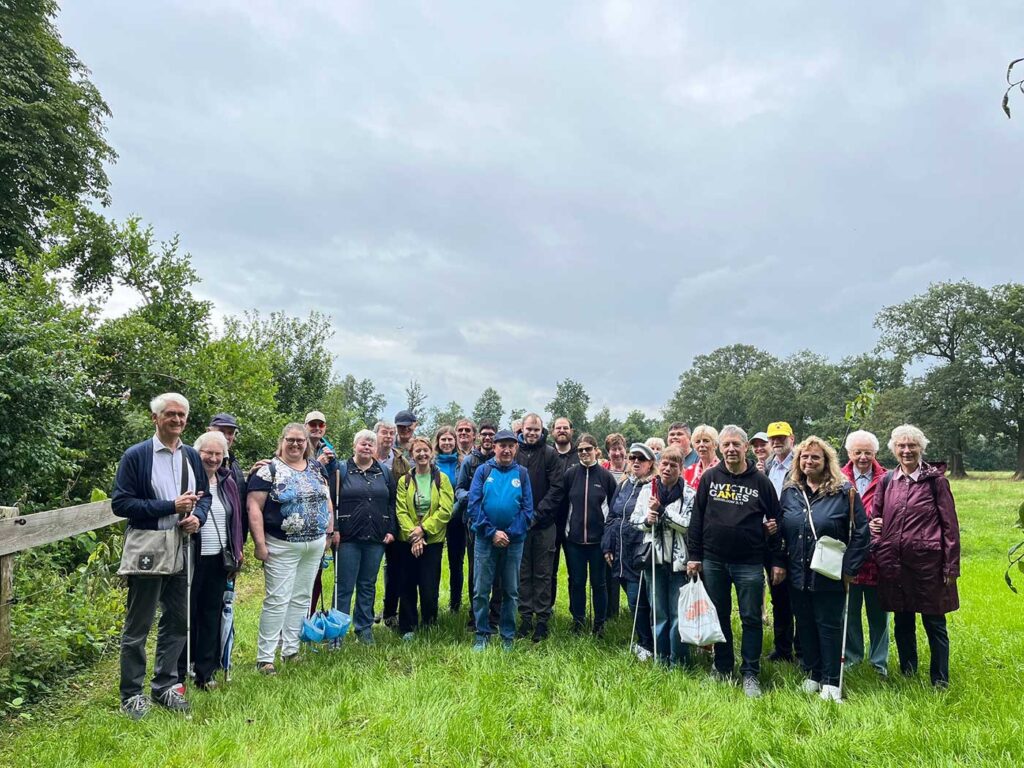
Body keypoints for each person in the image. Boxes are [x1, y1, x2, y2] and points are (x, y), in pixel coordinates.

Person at [113, 393, 209, 719]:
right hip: (148, 547)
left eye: (182, 415)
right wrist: (170, 506)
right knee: (139, 623)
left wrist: (198, 517)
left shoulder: (192, 456)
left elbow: (203, 497)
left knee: (179, 620)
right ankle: (132, 694)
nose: (178, 420)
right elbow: (121, 504)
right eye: (171, 414)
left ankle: (165, 686)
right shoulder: (137, 456)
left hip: (182, 546)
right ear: (155, 418)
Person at [687, 425, 785, 698]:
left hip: (750, 562)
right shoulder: (709, 478)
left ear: (745, 448)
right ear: (720, 448)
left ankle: (750, 673)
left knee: (751, 618)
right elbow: (697, 519)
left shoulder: (761, 482)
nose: (731, 449)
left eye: (736, 444)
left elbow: (778, 520)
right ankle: (722, 666)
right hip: (714, 560)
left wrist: (777, 559)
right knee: (719, 616)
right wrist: (694, 556)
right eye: (726, 444)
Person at [779, 436, 870, 702]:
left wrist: (850, 568)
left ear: (826, 461)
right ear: (798, 461)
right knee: (805, 625)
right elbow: (783, 526)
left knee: (829, 626)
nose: (809, 461)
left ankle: (832, 680)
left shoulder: (845, 492)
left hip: (830, 573)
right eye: (805, 457)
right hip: (797, 571)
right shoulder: (790, 491)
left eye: (815, 457)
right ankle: (813, 674)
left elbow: (861, 533)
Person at [872, 425, 960, 688]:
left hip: (929, 566)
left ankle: (940, 679)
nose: (907, 450)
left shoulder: (936, 481)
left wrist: (950, 567)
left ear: (921, 448)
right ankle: (908, 672)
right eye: (901, 446)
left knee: (935, 622)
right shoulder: (887, 481)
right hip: (895, 565)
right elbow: (875, 519)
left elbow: (950, 527)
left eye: (912, 446)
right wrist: (879, 544)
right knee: (902, 620)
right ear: (894, 449)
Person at [247, 424, 333, 675]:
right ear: (281, 441)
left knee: (302, 598)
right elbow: (254, 508)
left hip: (314, 543)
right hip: (281, 544)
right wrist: (260, 544)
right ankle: (265, 658)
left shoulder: (317, 468)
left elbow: (326, 500)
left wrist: (329, 531)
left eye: (300, 441)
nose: (295, 445)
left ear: (307, 443)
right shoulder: (267, 471)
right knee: (277, 599)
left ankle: (290, 650)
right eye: (290, 440)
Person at [179, 430, 244, 691]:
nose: (213, 458)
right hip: (191, 559)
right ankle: (179, 669)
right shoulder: (186, 480)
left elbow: (235, 518)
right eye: (208, 453)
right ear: (197, 453)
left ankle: (206, 672)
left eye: (218, 454)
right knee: (185, 616)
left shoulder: (227, 481)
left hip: (220, 558)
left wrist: (237, 551)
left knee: (211, 614)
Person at [468, 430, 534, 650]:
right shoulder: (483, 471)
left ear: (516, 448)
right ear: (494, 446)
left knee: (511, 590)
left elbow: (527, 510)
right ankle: (482, 633)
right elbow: (474, 505)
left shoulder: (522, 474)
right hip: (485, 540)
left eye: (511, 446)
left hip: (514, 542)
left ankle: (507, 634)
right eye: (502, 445)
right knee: (481, 589)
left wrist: (510, 533)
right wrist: (492, 532)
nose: (506, 450)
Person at [631, 446, 695, 667]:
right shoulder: (648, 489)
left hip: (679, 562)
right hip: (654, 559)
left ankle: (679, 661)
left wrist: (663, 512)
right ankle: (661, 658)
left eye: (673, 465)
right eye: (665, 464)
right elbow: (635, 521)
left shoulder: (689, 494)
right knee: (659, 613)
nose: (668, 468)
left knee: (678, 615)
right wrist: (648, 520)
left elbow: (687, 525)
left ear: (681, 468)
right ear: (659, 465)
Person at [335, 429, 397, 644]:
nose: (367, 447)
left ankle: (364, 628)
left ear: (376, 448)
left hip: (376, 538)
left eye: (371, 444)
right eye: (363, 443)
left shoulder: (384, 473)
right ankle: (338, 631)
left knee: (368, 584)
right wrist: (334, 530)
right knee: (344, 586)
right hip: (348, 538)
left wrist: (391, 529)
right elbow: (332, 503)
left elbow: (392, 503)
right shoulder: (341, 470)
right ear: (354, 446)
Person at [840, 430, 891, 677]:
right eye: (857, 452)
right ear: (849, 453)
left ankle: (879, 663)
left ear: (875, 454)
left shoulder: (888, 478)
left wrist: (882, 524)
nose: (862, 457)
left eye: (867, 452)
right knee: (849, 613)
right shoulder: (838, 477)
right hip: (848, 557)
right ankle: (852, 658)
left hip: (878, 558)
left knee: (879, 613)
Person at [396, 437, 454, 639]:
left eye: (425, 450)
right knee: (408, 584)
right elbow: (401, 511)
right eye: (417, 451)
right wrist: (414, 535)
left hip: (433, 540)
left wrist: (423, 531)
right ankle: (408, 627)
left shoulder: (442, 479)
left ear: (432, 453)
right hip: (407, 540)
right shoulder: (405, 481)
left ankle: (429, 622)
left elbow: (445, 510)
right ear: (412, 455)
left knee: (429, 586)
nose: (422, 454)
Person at [603, 443, 657, 660]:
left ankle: (648, 643)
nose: (636, 462)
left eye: (641, 459)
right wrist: (608, 545)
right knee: (633, 598)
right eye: (633, 457)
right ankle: (645, 640)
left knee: (638, 600)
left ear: (650, 463)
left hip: (639, 551)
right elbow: (613, 516)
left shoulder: (652, 486)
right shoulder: (624, 484)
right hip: (620, 551)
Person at [560, 434, 618, 636]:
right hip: (574, 540)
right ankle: (578, 622)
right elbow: (563, 505)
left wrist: (608, 538)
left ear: (596, 450)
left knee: (599, 583)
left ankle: (599, 624)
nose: (584, 453)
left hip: (598, 541)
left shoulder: (606, 477)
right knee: (576, 582)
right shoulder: (570, 475)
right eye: (580, 450)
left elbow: (613, 510)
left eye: (588, 449)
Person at [515, 413, 565, 641]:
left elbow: (557, 489)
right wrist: (521, 517)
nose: (532, 433)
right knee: (523, 573)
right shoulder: (514, 452)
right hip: (519, 525)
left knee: (544, 573)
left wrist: (536, 515)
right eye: (529, 429)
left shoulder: (550, 454)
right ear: (521, 430)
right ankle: (525, 617)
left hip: (544, 525)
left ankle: (542, 619)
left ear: (542, 430)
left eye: (536, 429)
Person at [764, 420, 799, 663]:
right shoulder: (767, 466)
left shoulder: (800, 464)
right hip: (771, 537)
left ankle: (804, 649)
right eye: (773, 439)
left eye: (781, 438)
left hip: (795, 537)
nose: (777, 442)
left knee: (798, 596)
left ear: (791, 438)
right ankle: (783, 648)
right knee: (778, 597)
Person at [377, 416, 411, 627]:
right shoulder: (364, 455)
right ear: (376, 435)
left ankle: (390, 612)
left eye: (391, 433)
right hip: (368, 520)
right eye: (385, 432)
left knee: (394, 568)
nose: (389, 436)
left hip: (394, 521)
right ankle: (365, 612)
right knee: (368, 570)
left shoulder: (401, 461)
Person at [550, 416, 579, 609]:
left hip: (574, 521)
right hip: (550, 521)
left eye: (565, 427)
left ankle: (576, 613)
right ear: (552, 431)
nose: (562, 430)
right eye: (558, 428)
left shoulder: (580, 455)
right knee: (549, 570)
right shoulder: (547, 455)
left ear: (571, 431)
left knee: (575, 571)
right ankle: (547, 607)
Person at [208, 412, 246, 504]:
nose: (226, 437)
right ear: (208, 432)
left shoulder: (233, 462)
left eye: (230, 433)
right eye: (221, 432)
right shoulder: (199, 460)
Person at [682, 424, 720, 490]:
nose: (701, 444)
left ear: (715, 445)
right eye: (697, 442)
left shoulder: (723, 470)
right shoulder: (689, 470)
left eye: (706, 441)